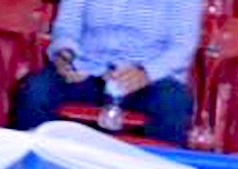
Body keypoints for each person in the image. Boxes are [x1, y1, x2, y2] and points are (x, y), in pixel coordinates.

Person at [11, 0, 204, 146]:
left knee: (174, 102)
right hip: (89, 69)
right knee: (36, 91)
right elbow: (66, 29)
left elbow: (182, 46)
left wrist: (145, 74)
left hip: (148, 76)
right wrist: (65, 56)